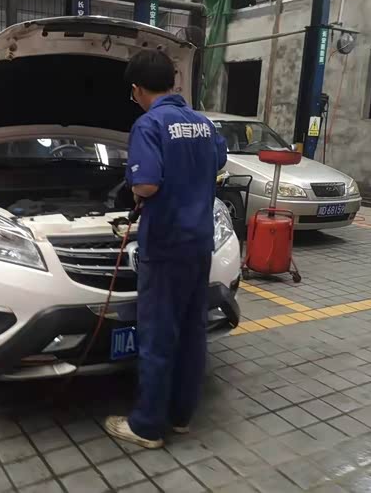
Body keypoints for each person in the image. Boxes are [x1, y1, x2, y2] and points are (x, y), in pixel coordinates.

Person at [104, 49, 228, 449]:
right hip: (199, 243)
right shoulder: (203, 123)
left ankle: (147, 426)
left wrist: (134, 186)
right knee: (192, 331)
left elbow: (146, 184)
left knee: (157, 336)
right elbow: (219, 161)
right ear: (173, 83)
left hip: (165, 244)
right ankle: (180, 415)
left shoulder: (149, 124)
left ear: (137, 89)